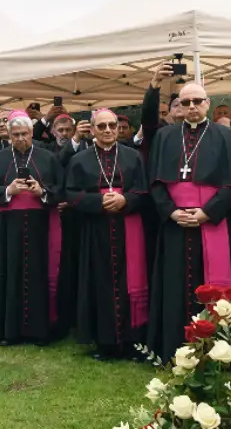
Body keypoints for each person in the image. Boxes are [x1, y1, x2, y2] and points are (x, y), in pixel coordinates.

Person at [145, 82, 231, 362]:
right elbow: (155, 182)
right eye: (186, 103)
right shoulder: (165, 137)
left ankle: (214, 350)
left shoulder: (225, 136)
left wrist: (207, 212)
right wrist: (172, 212)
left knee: (211, 287)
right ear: (179, 106)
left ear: (207, 103)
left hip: (211, 223)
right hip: (175, 224)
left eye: (197, 101)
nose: (191, 107)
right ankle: (173, 348)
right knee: (173, 285)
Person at [65, 108, 149, 360]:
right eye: (101, 126)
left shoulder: (133, 157)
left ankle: (133, 341)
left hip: (128, 228)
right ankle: (104, 342)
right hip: (96, 230)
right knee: (99, 282)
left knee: (130, 282)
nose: (108, 130)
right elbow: (71, 194)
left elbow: (144, 192)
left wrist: (125, 200)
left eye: (112, 125)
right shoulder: (79, 160)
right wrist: (98, 202)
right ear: (92, 130)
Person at [0, 110, 66, 345]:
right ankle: (9, 330)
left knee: (39, 276)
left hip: (40, 228)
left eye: (24, 134)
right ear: (8, 135)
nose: (20, 139)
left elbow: (62, 189)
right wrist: (8, 191)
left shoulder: (48, 157)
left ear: (31, 133)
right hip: (7, 228)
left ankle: (39, 331)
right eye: (15, 135)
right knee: (9, 276)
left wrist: (42, 191)